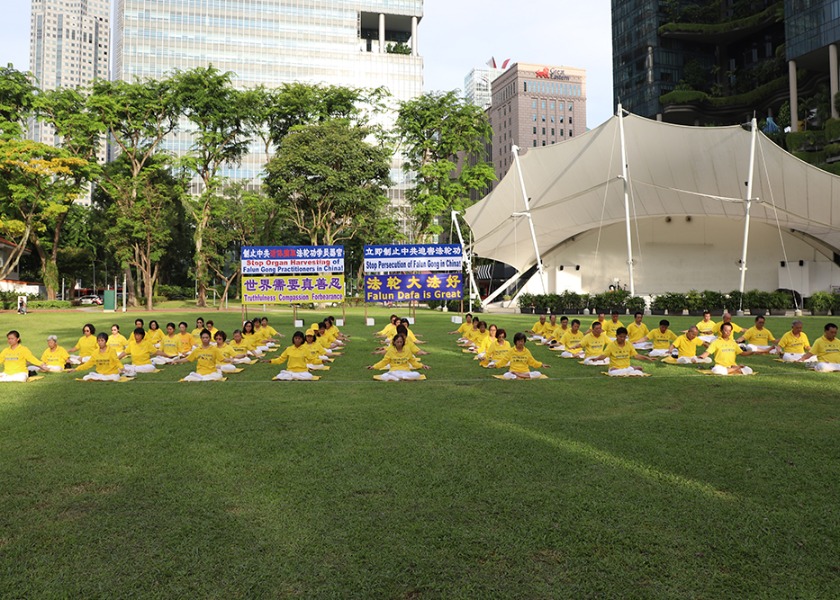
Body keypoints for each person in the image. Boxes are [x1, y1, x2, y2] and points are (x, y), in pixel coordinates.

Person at [590, 327, 655, 376]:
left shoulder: (628, 344)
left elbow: (636, 356)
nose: (622, 339)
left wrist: (648, 358)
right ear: (616, 336)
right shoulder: (611, 345)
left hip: (626, 367)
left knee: (638, 373)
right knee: (615, 373)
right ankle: (632, 368)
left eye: (624, 337)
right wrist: (596, 359)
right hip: (616, 369)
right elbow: (603, 356)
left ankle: (631, 369)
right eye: (620, 337)